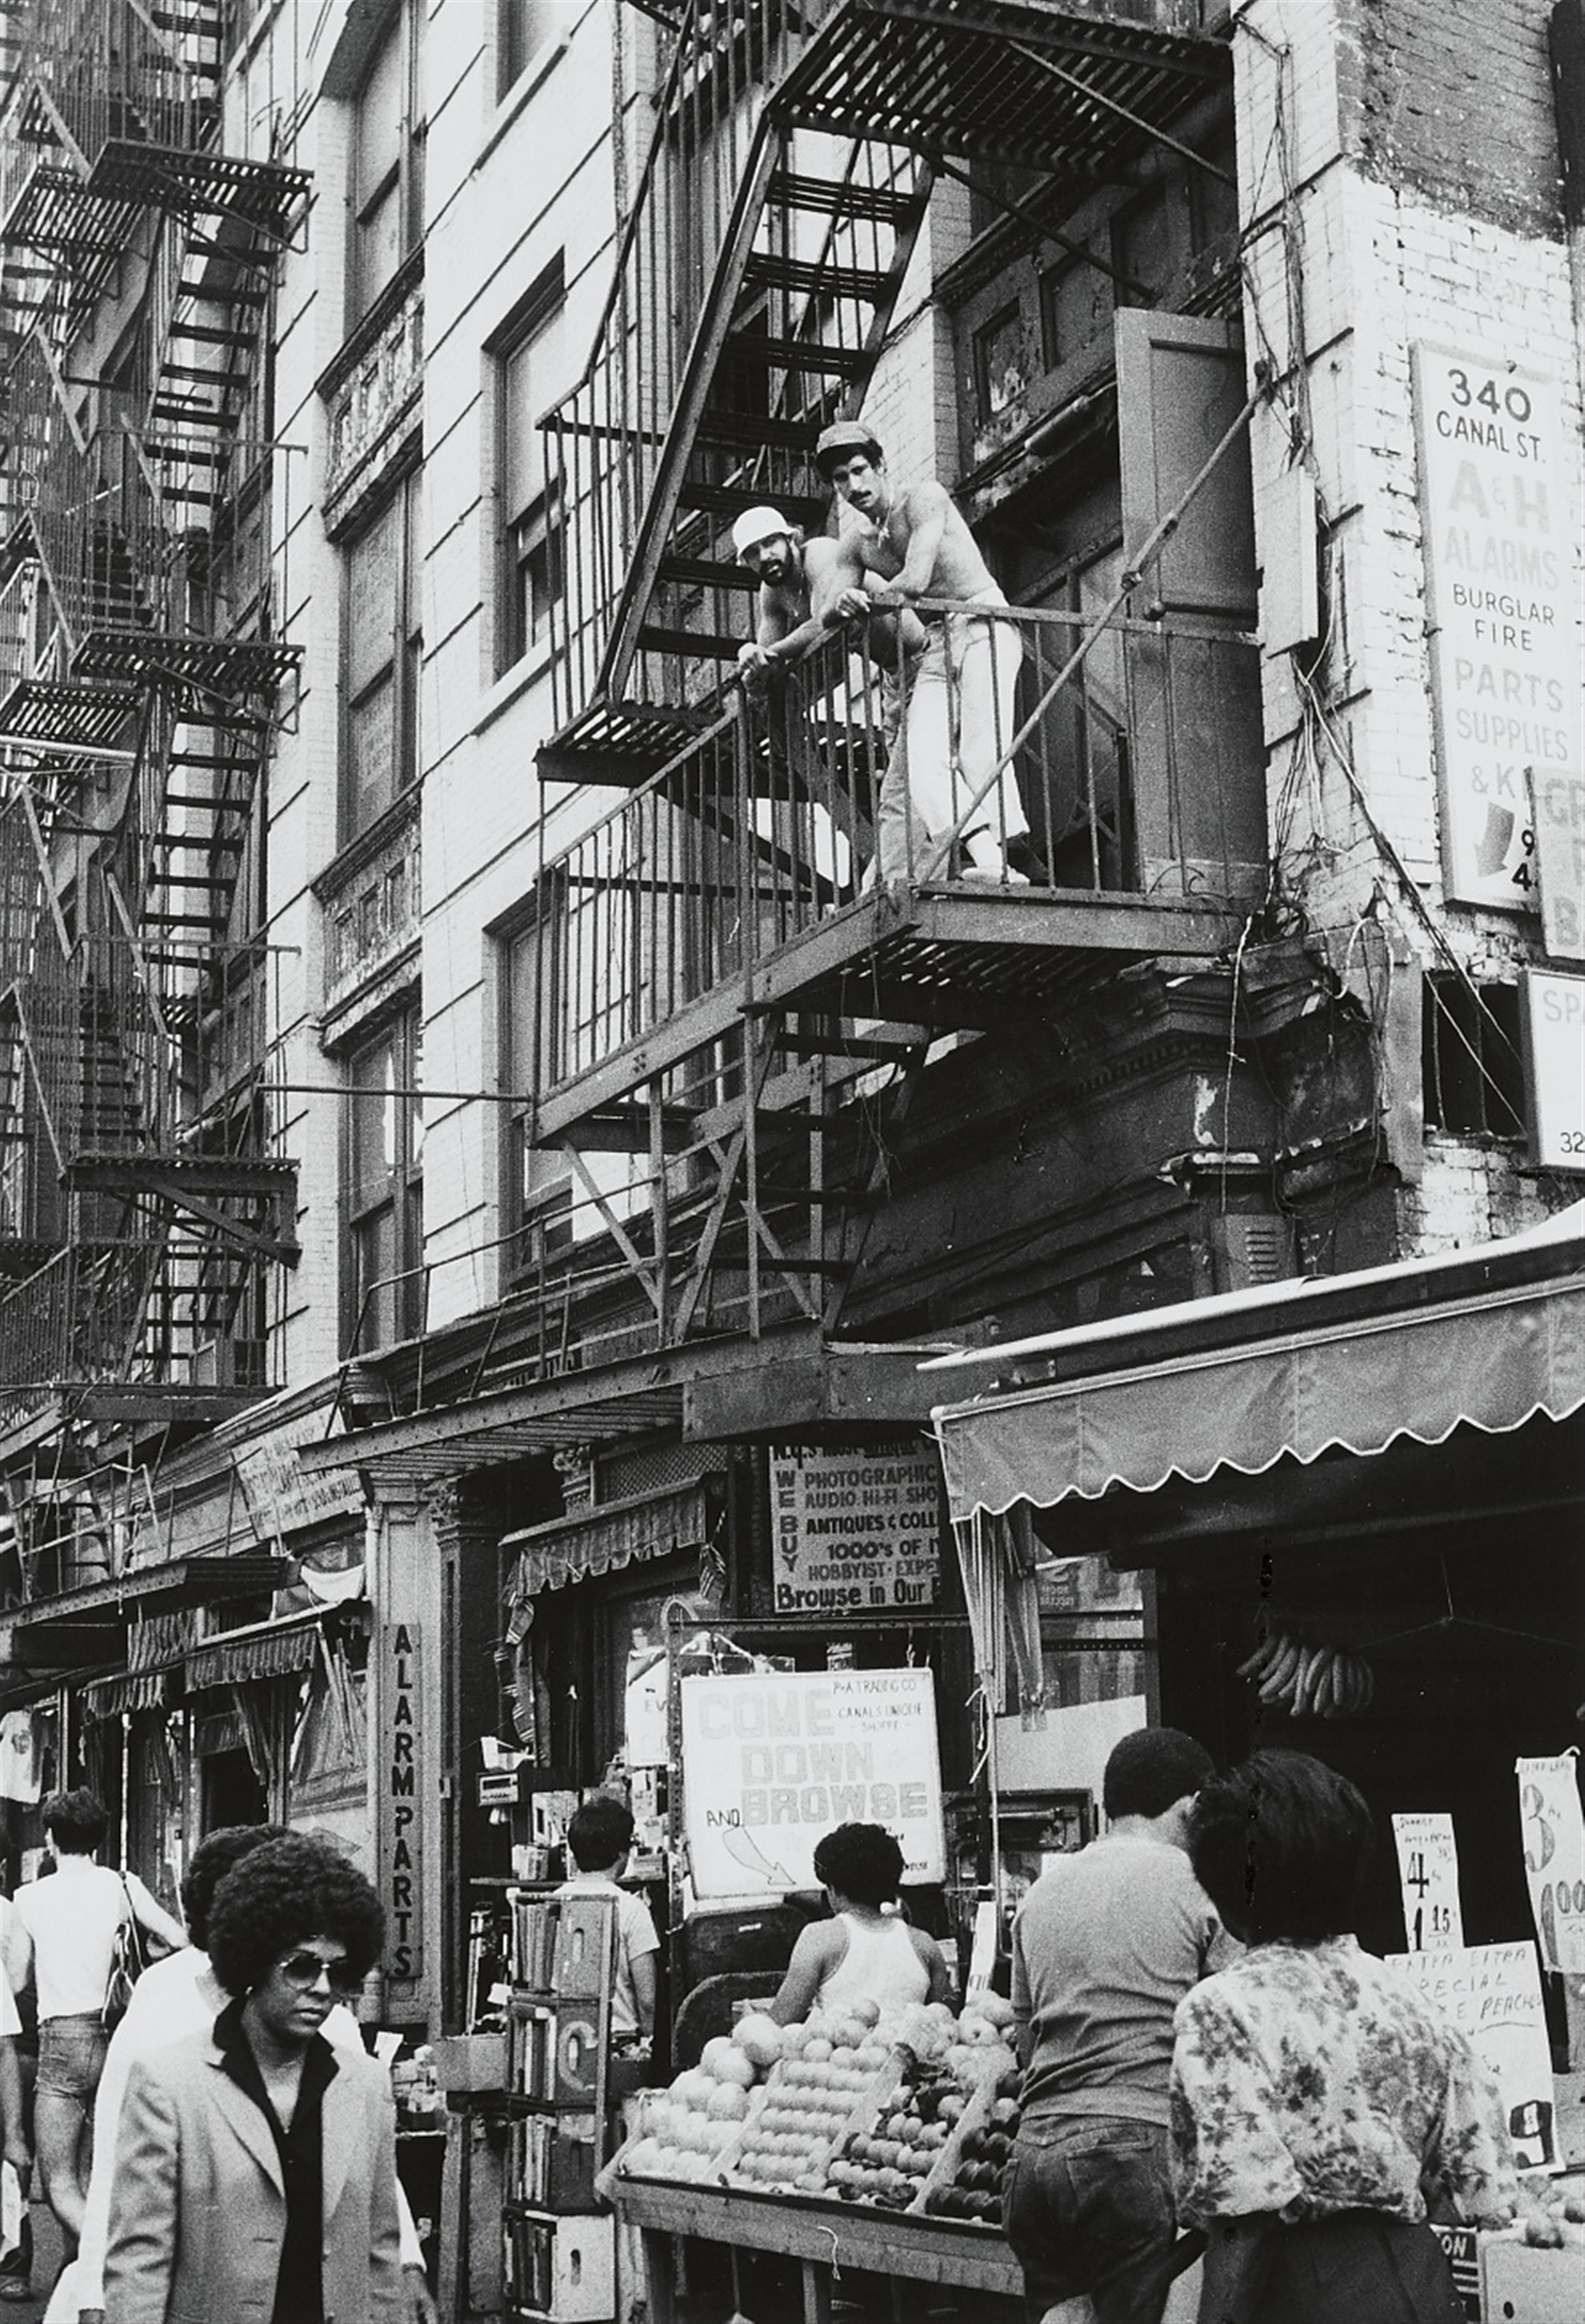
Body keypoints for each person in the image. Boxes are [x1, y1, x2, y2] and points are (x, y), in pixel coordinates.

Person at [1172, 1750, 1516, 2324]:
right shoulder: (1413, 2004)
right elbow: (1480, 2190)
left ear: (1226, 1893)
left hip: (1296, 2290)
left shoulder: (1221, 2008)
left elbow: (1244, 2215)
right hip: (1422, 2281)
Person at [51, 1824, 434, 2324]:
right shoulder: (163, 2058)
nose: (321, 1988)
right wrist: (94, 2296)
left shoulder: (360, 2075)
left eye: (337, 1975)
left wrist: (408, 2268)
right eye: (300, 1967)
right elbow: (132, 2233)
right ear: (253, 1954)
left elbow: (375, 2222)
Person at [1004, 1726, 1237, 2324]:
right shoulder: (1200, 1888)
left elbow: (1024, 2033)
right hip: (1132, 2151)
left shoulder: (1041, 1892)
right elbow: (1235, 2024)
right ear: (1194, 1806)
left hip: (1034, 2158)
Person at [816, 419, 1039, 886]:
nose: (853, 486)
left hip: (983, 624)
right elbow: (827, 615)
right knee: (922, 761)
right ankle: (991, 862)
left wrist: (864, 602)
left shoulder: (923, 499)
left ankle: (1017, 855)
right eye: (841, 479)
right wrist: (843, 602)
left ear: (880, 466)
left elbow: (915, 580)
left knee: (980, 750)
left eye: (859, 471)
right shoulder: (855, 544)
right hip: (938, 643)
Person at [4, 1789, 186, 2255]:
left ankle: (118, 2257)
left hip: (61, 2040)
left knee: (60, 2180)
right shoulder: (123, 1886)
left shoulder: (29, 1898)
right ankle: (81, 2278)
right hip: (118, 2033)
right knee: (95, 2169)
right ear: (99, 1839)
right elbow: (179, 1940)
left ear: (50, 1838)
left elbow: (20, 1976)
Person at [732, 504, 932, 884]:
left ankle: (899, 881)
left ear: (791, 537)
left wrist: (767, 655)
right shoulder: (772, 594)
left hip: (928, 662)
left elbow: (823, 624)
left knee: (904, 789)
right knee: (913, 785)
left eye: (771, 543)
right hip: (895, 680)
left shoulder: (822, 553)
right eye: (753, 553)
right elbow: (768, 662)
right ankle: (927, 873)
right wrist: (750, 661)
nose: (765, 557)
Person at [768, 1822, 950, 2024]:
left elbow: (779, 2023)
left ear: (834, 1889)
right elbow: (944, 2021)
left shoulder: (819, 1937)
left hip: (839, 2053)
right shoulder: (925, 1945)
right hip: (906, 2053)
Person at [554, 1796, 659, 2047]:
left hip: (561, 2038)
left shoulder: (550, 1904)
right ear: (622, 1853)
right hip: (617, 2043)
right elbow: (648, 1999)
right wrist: (646, 2043)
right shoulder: (633, 1909)